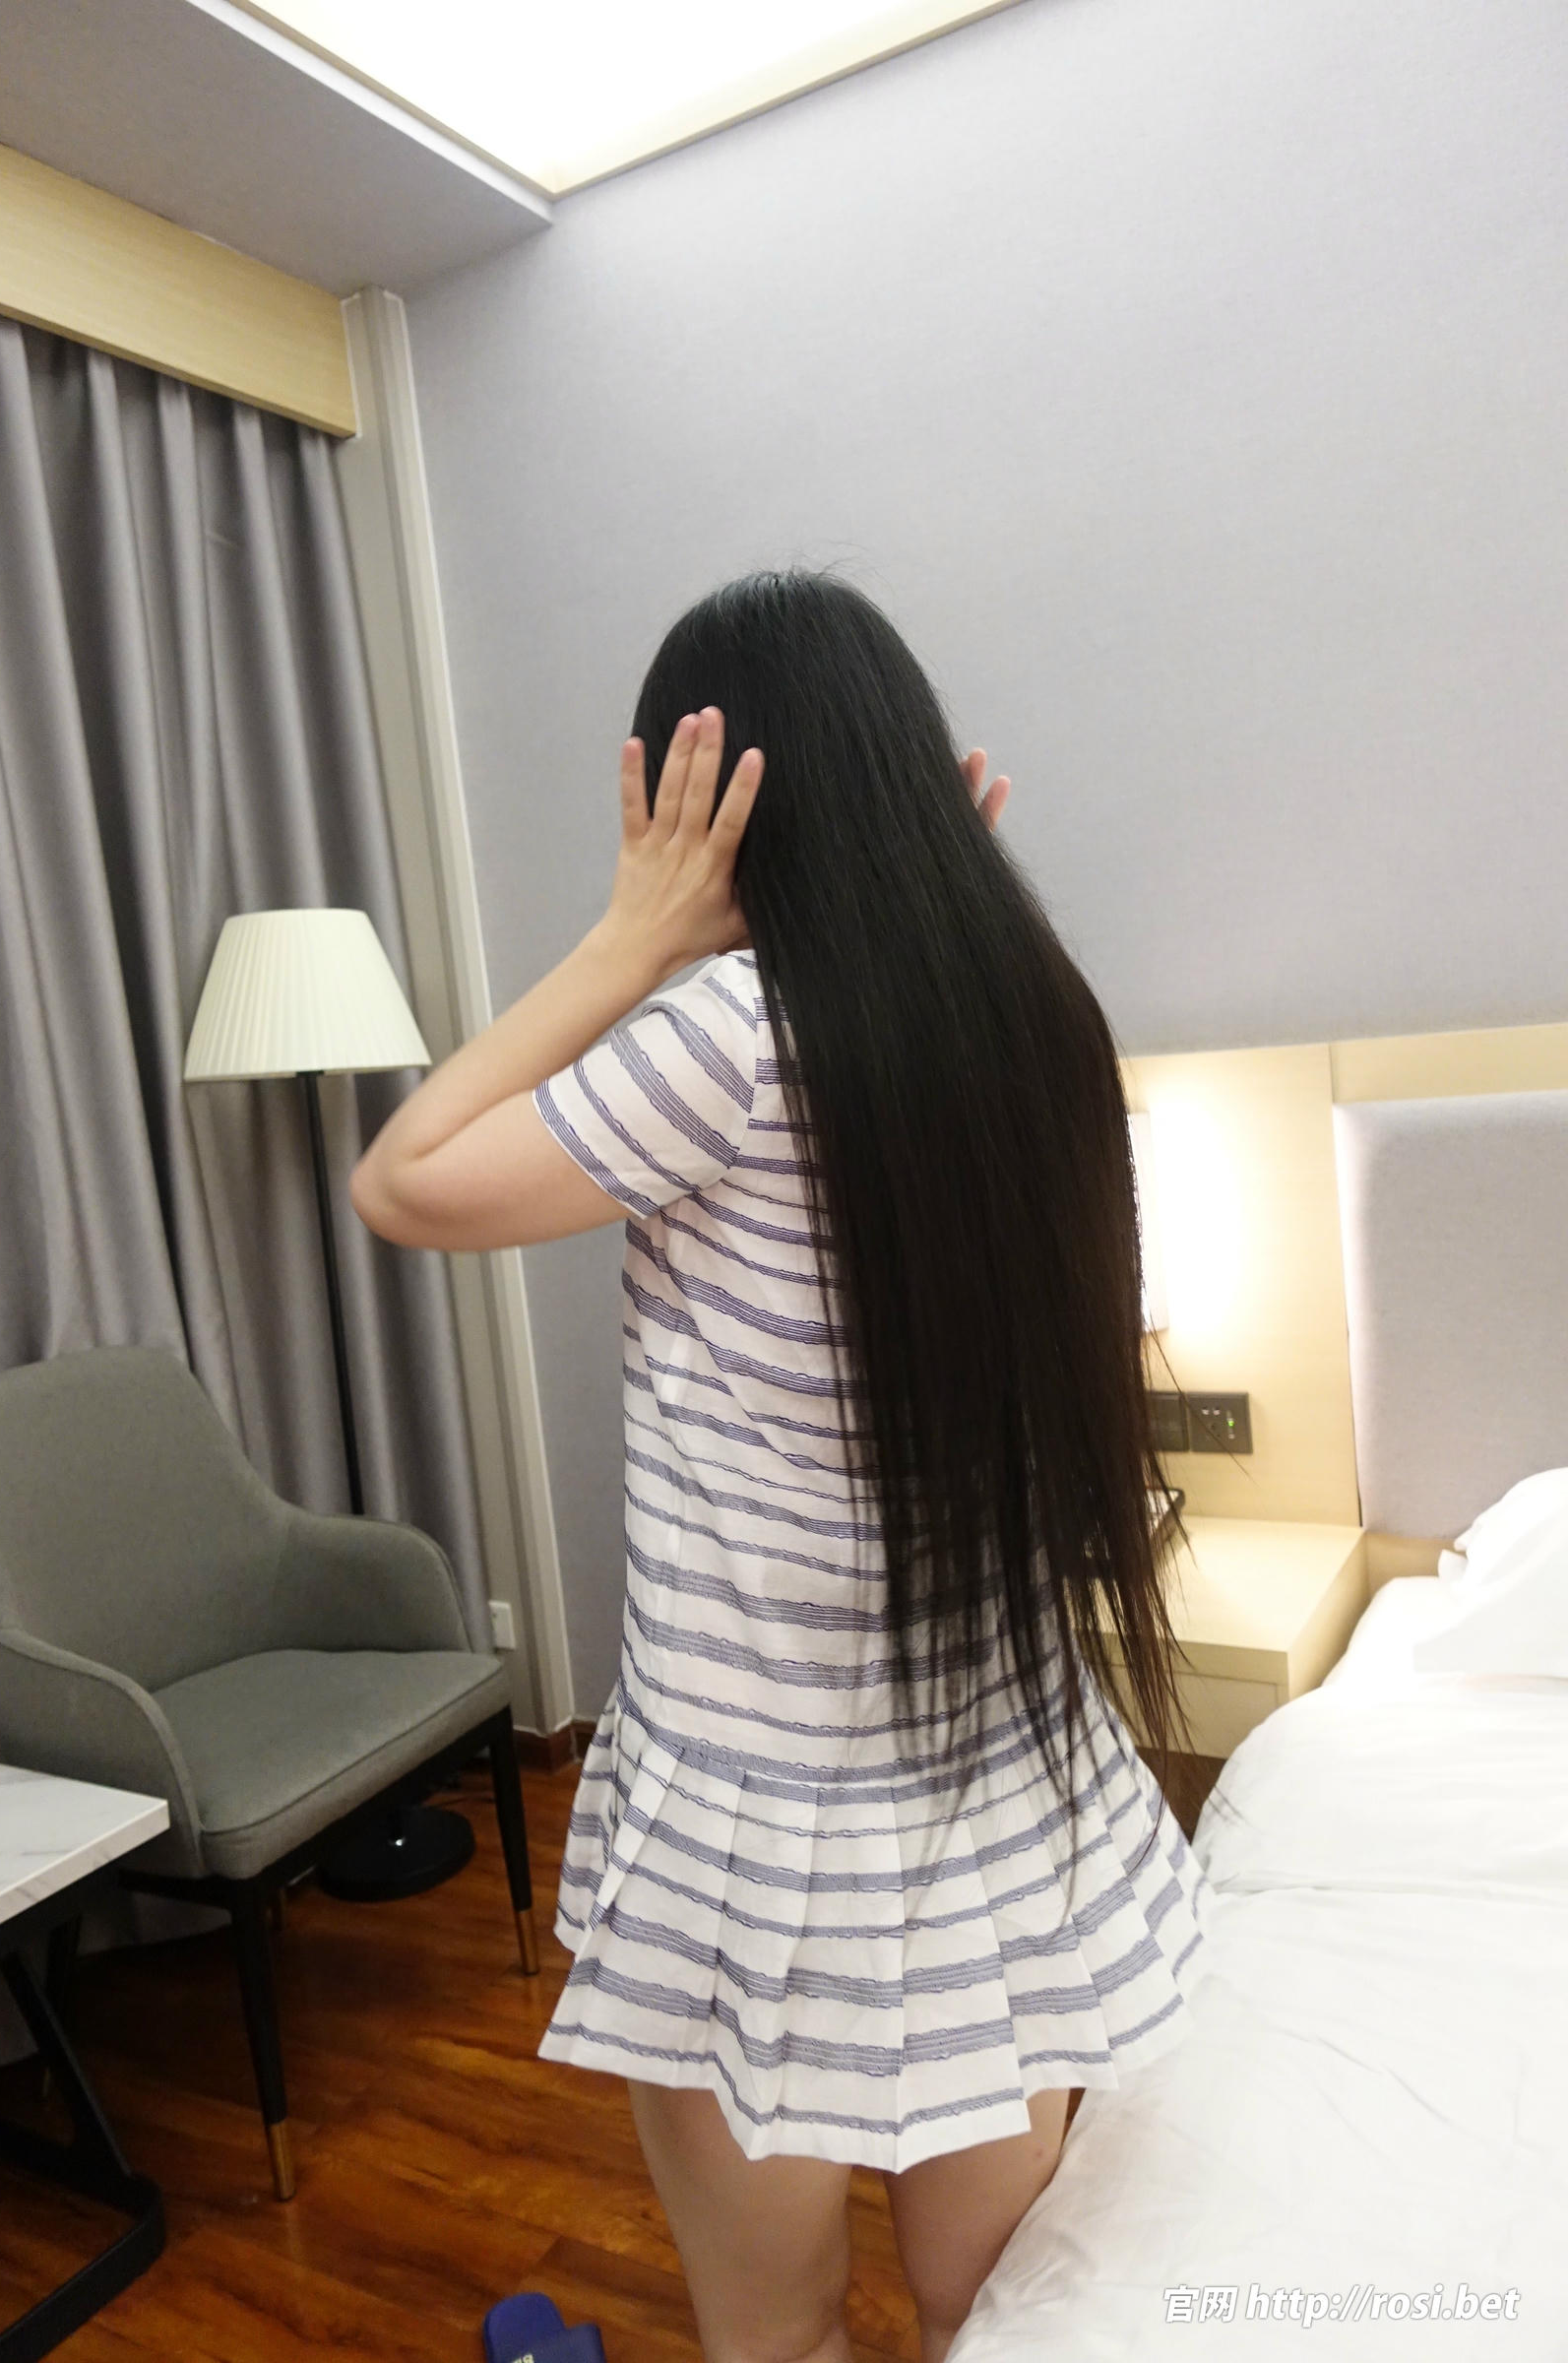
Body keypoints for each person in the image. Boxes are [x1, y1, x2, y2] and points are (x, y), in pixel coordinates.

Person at [350, 568, 1211, 2363]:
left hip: (761, 1833)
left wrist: (629, 941)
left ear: (710, 816)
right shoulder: (1040, 1026)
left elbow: (405, 1177)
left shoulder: (721, 1042)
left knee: (781, 2338)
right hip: (999, 1800)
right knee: (996, 2321)